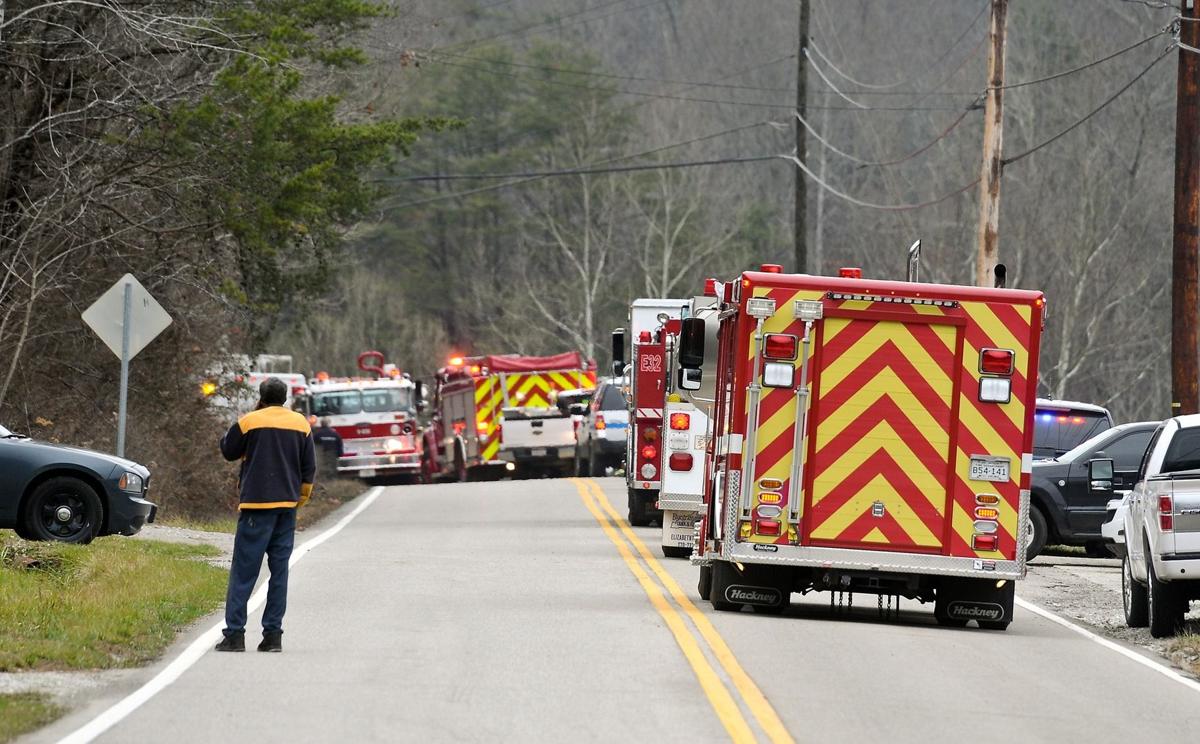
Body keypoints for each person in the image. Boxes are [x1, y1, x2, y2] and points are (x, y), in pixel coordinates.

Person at [215, 377, 316, 653]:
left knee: (243, 573)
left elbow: (228, 450)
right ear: (285, 398)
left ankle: (234, 635)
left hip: (256, 507)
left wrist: (247, 418)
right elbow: (309, 469)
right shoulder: (301, 424)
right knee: (279, 572)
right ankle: (273, 636)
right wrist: (300, 500)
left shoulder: (250, 421)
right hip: (287, 508)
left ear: (261, 397)